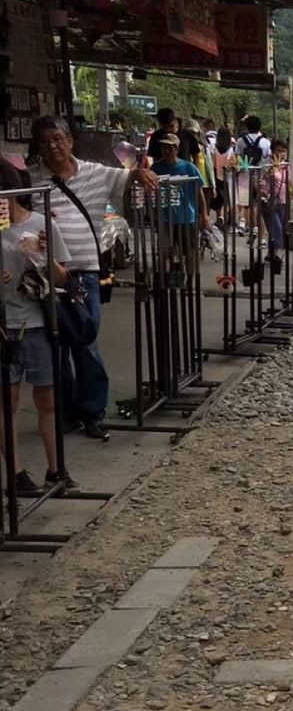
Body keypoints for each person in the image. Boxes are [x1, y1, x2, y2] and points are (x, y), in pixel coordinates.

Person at [26, 115, 156, 440]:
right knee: (55, 344)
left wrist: (142, 173)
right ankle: (66, 411)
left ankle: (92, 411)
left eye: (58, 138)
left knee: (85, 341)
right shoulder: (31, 181)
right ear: (38, 146)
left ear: (69, 139)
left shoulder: (96, 174)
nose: (53, 146)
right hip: (44, 275)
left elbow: (129, 178)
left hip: (83, 275)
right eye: (45, 141)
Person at [0, 159, 76, 493]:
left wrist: (44, 256)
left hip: (37, 322)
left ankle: (56, 469)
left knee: (47, 399)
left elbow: (64, 278)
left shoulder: (43, 226)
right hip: (4, 325)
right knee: (7, 402)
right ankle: (16, 473)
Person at [150, 133, 207, 265]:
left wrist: (204, 215)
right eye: (164, 148)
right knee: (164, 252)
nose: (166, 151)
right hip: (165, 218)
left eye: (170, 148)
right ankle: (165, 279)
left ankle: (190, 281)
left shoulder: (189, 168)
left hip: (187, 217)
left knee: (190, 253)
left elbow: (199, 192)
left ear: (177, 149)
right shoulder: (156, 168)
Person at [235, 114, 271, 236]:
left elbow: (237, 157)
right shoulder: (265, 142)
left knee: (247, 205)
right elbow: (268, 158)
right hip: (260, 174)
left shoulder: (240, 141)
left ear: (247, 127)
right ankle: (261, 231)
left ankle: (252, 227)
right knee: (259, 203)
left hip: (245, 175)